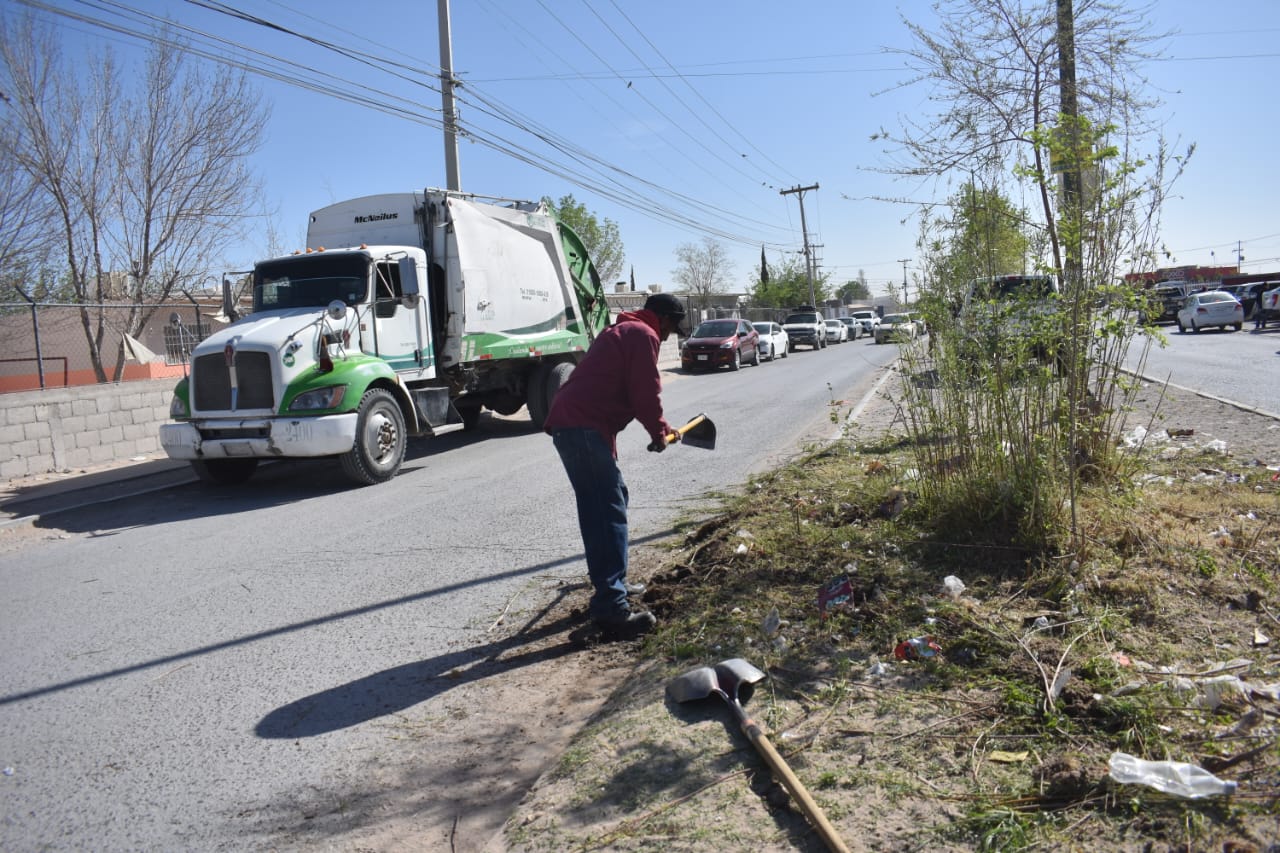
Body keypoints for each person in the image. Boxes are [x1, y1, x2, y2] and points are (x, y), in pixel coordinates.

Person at [544, 292, 686, 640]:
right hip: (581, 426)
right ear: (664, 320)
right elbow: (645, 391)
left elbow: (621, 389)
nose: (669, 335)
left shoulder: (622, 330)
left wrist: (661, 429)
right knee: (605, 513)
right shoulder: (643, 334)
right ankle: (611, 608)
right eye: (671, 327)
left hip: (578, 425)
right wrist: (658, 432)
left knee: (613, 499)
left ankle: (614, 584)